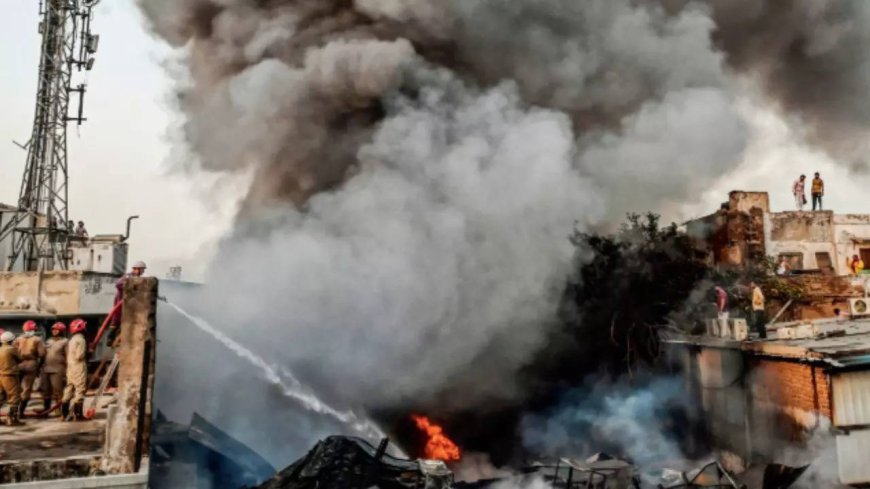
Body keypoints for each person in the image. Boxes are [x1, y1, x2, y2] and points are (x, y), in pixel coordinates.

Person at [14, 320, 46, 419]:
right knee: (27, 389)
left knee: (16, 388)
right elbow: (42, 354)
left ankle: (14, 411)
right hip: (31, 364)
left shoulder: (18, 339)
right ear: (34, 329)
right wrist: (39, 366)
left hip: (19, 364)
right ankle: (20, 412)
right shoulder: (37, 339)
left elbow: (13, 353)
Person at [109, 261, 147, 334]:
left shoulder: (138, 278)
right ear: (136, 269)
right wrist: (131, 286)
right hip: (121, 302)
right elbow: (118, 284)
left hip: (130, 304)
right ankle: (111, 336)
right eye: (142, 269)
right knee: (116, 320)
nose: (143, 271)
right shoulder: (128, 276)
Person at [62, 319, 88, 421]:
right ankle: (78, 415)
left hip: (70, 367)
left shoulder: (72, 339)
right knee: (80, 389)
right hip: (78, 367)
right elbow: (79, 355)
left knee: (69, 388)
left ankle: (64, 414)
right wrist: (87, 352)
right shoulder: (81, 340)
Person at [41, 322, 68, 418]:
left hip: (58, 369)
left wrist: (67, 369)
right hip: (46, 368)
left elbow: (68, 356)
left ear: (61, 331)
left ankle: (58, 411)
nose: (54, 331)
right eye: (53, 329)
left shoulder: (65, 342)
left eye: (57, 329)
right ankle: (46, 410)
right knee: (45, 391)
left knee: (58, 391)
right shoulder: (48, 341)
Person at [0, 331, 23, 426]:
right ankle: (12, 419)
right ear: (11, 340)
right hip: (10, 376)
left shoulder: (0, 349)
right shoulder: (11, 349)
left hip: (1, 375)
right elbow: (20, 359)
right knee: (15, 397)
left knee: (0, 397)